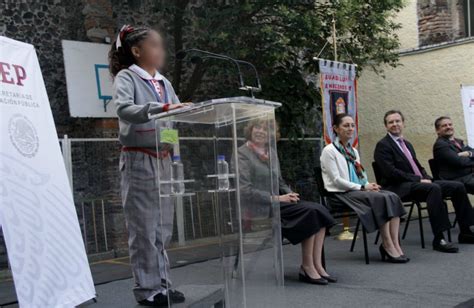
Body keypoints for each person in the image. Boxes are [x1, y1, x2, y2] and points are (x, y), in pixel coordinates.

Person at [109, 25, 191, 307]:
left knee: (162, 228)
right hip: (139, 158)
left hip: (162, 158)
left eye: (161, 45)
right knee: (143, 227)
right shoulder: (127, 77)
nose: (161, 51)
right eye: (154, 46)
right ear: (136, 51)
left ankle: (163, 285)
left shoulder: (164, 83)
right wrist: (161, 109)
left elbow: (178, 114)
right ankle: (147, 289)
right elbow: (123, 108)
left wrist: (170, 143)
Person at [237, 119, 337, 285]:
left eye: (265, 128)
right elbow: (245, 190)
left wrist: (291, 194)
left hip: (279, 203)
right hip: (259, 207)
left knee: (319, 209)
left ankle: (317, 265)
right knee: (310, 213)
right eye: (257, 127)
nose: (261, 131)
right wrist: (277, 198)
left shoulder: (271, 152)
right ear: (250, 130)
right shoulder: (242, 153)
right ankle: (306, 267)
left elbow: (280, 181)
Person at [374, 110, 474, 253]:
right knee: (433, 189)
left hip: (416, 183)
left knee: (457, 186)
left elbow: (417, 166)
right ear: (386, 126)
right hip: (398, 187)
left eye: (398, 121)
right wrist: (419, 180)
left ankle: (465, 231)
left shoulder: (406, 144)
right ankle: (439, 239)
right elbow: (391, 173)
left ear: (403, 124)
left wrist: (426, 177)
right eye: (391, 122)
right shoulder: (383, 145)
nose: (395, 124)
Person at [321, 113, 409, 263]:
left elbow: (359, 172)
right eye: (346, 125)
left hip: (357, 190)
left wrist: (369, 185)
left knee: (391, 196)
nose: (350, 128)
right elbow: (336, 180)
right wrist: (363, 187)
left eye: (352, 125)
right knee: (381, 198)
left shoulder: (352, 150)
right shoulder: (329, 151)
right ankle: (387, 245)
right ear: (335, 128)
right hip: (341, 194)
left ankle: (395, 243)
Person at [433, 116, 474, 194]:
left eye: (450, 124)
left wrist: (468, 153)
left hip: (468, 176)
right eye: (444, 125)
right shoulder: (440, 145)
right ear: (438, 130)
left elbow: (472, 151)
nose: (448, 127)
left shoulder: (458, 141)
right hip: (455, 179)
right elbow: (459, 161)